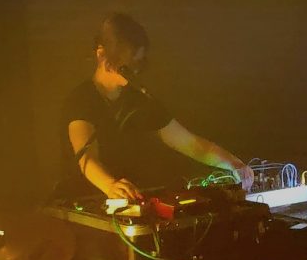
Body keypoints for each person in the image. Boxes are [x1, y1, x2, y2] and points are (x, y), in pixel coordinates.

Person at [60, 13, 253, 201]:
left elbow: (189, 143)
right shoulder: (81, 100)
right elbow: (87, 158)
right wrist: (110, 185)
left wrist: (233, 163)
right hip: (85, 202)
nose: (135, 70)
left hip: (128, 199)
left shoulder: (138, 99)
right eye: (128, 63)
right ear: (102, 55)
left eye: (138, 63)